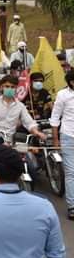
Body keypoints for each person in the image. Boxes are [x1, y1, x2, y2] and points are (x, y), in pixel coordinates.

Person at [0, 75, 48, 198]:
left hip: (11, 140)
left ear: (16, 88)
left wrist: (37, 132)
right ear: (1, 87)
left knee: (30, 166)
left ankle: (27, 193)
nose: (9, 89)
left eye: (12, 87)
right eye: (7, 86)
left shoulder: (20, 106)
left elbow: (29, 122)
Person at [51, 71, 74, 220]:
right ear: (71, 82)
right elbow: (55, 117)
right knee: (71, 173)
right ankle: (72, 206)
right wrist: (55, 139)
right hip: (68, 137)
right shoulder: (62, 95)